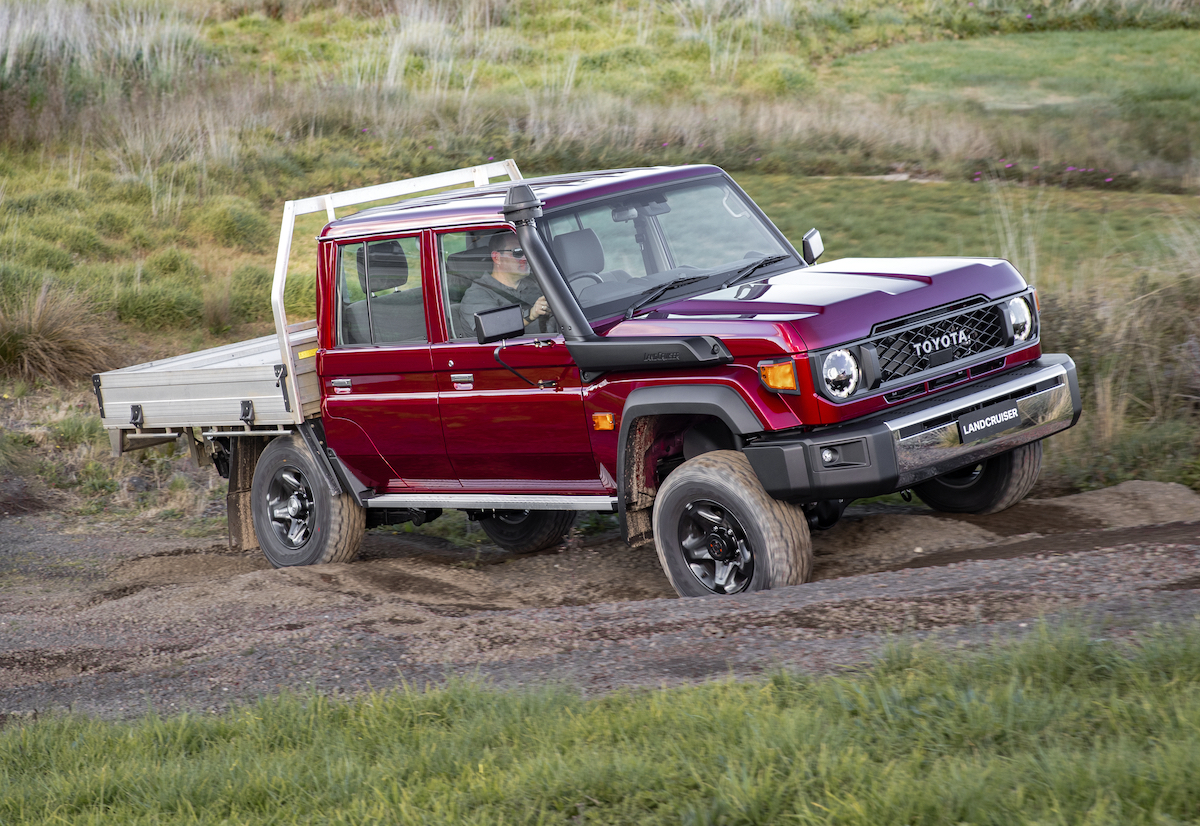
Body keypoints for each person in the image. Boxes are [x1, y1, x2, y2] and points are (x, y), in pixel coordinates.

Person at [459, 231, 555, 336]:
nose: (525, 258)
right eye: (518, 252)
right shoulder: (476, 295)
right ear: (497, 258)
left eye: (527, 251)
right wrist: (531, 314)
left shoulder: (536, 282)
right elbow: (492, 328)